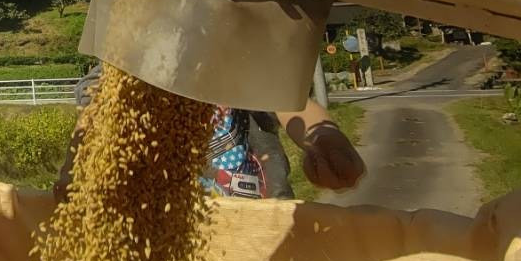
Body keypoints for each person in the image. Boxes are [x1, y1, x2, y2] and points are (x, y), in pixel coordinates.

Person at [54, 63, 365, 201]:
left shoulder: (240, 65)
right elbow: (97, 111)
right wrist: (78, 166)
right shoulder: (134, 73)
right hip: (167, 235)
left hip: (257, 229)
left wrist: (323, 138)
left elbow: (292, 105)